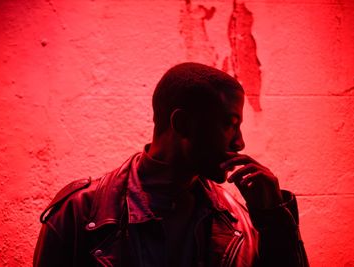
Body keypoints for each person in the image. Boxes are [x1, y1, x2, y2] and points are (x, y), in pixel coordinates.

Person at [33, 62, 309, 267]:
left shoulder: (239, 219)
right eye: (229, 125)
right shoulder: (80, 212)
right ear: (182, 124)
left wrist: (274, 219)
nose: (239, 143)